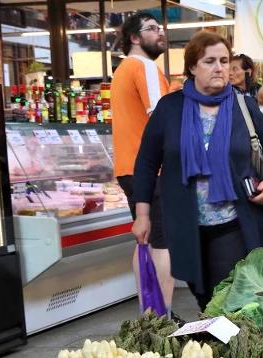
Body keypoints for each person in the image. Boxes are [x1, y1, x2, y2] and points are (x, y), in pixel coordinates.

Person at [132, 31, 263, 310]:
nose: (220, 67)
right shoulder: (170, 108)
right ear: (192, 67)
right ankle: (218, 343)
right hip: (185, 223)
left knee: (227, 296)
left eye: (224, 60)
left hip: (235, 220)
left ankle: (230, 346)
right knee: (202, 295)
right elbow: (147, 163)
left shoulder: (244, 106)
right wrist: (142, 215)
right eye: (210, 61)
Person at [113, 12, 174, 309]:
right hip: (152, 169)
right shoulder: (145, 67)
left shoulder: (122, 69)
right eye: (151, 29)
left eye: (160, 28)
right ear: (134, 38)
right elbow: (160, 117)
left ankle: (148, 313)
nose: (159, 33)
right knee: (164, 244)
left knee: (145, 242)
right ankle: (162, 318)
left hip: (129, 168)